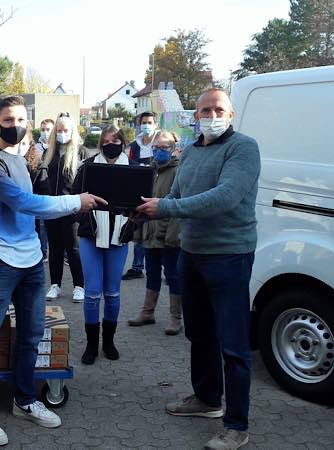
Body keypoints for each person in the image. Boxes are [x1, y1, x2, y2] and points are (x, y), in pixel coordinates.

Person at [0, 95, 106, 446]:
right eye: (8, 120)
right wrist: (76, 201)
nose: (16, 125)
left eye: (20, 119)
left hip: (30, 260)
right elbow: (23, 203)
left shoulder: (20, 159)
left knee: (31, 335)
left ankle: (25, 399)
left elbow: (35, 210)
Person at [137, 89, 260, 450]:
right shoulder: (190, 150)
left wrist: (167, 209)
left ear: (231, 114)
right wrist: (145, 206)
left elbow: (226, 197)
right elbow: (174, 195)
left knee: (234, 346)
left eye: (218, 109)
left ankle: (237, 425)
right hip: (190, 253)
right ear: (196, 115)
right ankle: (207, 399)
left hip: (229, 256)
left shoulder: (243, 148)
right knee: (200, 334)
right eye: (205, 109)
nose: (211, 115)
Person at [72, 126, 130, 365]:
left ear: (123, 143)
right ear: (100, 144)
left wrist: (132, 223)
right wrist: (87, 219)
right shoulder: (87, 167)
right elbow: (73, 200)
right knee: (93, 292)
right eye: (106, 141)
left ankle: (109, 342)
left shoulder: (135, 169)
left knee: (113, 292)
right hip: (91, 235)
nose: (111, 144)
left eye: (115, 140)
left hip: (119, 235)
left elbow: (142, 203)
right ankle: (91, 345)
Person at [128, 130, 183, 335]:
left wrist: (173, 234)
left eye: (164, 147)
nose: (160, 151)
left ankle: (176, 318)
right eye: (156, 147)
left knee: (173, 276)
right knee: (151, 273)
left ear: (174, 149)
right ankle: (147, 312)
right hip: (149, 232)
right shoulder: (149, 170)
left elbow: (179, 204)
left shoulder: (179, 171)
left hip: (169, 233)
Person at [41, 112, 88, 302]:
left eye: (65, 130)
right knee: (55, 248)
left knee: (73, 248)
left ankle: (79, 286)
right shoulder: (49, 152)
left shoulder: (81, 152)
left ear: (72, 131)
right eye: (58, 130)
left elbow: (85, 180)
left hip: (72, 207)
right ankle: (55, 285)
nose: (61, 133)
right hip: (52, 207)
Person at [121, 111, 158, 281]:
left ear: (155, 124)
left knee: (157, 230)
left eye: (150, 122)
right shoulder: (135, 145)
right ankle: (137, 267)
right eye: (144, 122)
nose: (147, 125)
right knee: (138, 228)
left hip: (158, 191)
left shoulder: (160, 142)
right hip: (140, 192)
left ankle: (161, 268)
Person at [24, 131, 50, 262]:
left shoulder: (38, 166)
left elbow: (45, 191)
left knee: (38, 229)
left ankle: (41, 253)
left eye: (24, 143)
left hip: (33, 209)